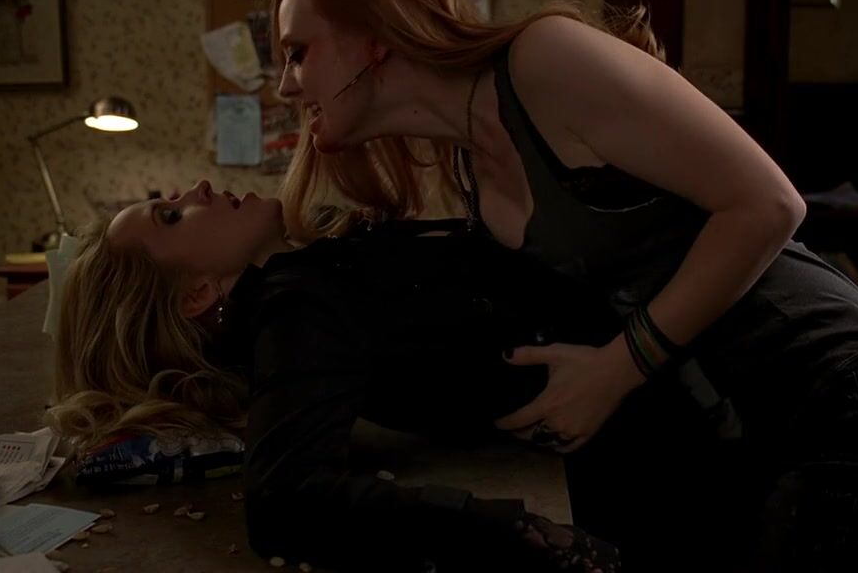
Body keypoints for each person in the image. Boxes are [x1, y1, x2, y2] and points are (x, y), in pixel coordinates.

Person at [271, 0, 858, 571]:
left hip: (845, 396)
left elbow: (771, 204)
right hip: (743, 428)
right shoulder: (468, 167)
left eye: (298, 51)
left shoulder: (543, 59)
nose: (284, 85)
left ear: (375, 39)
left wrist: (619, 369)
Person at [46, 181, 624, 573]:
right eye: (172, 216)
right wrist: (509, 529)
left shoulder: (302, 273)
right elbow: (285, 502)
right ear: (196, 293)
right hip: (639, 401)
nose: (197, 188)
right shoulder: (294, 310)